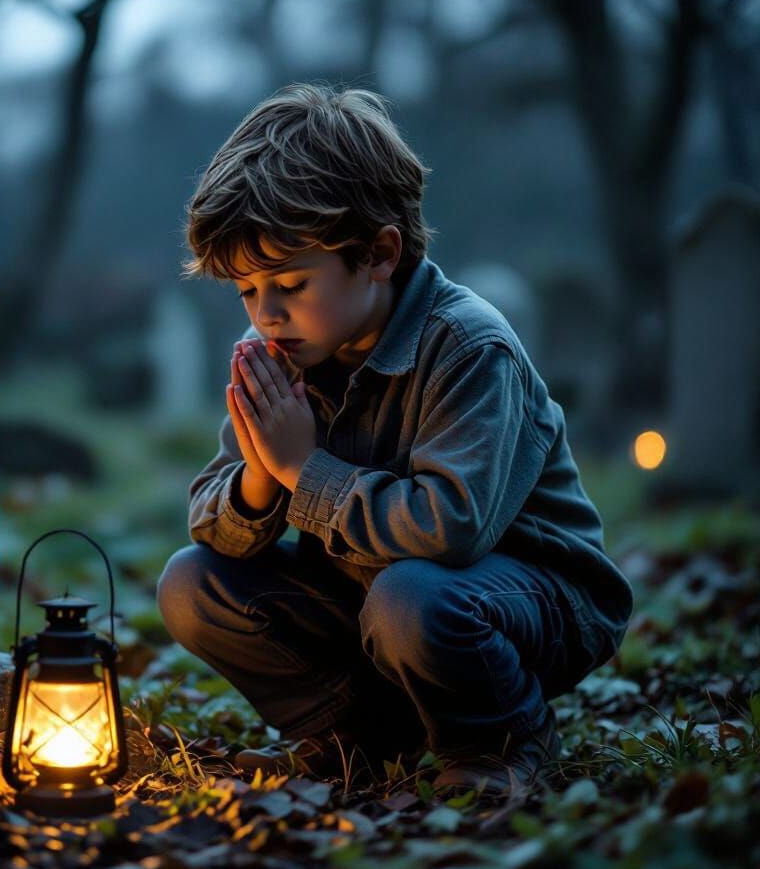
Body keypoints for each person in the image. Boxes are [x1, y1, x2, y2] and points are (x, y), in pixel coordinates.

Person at [156, 83, 634, 797]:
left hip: (523, 598)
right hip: (375, 596)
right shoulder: (285, 354)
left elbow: (448, 531)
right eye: (247, 290)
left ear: (378, 254)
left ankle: (500, 738)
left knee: (412, 597)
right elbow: (212, 522)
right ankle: (357, 736)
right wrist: (261, 478)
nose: (267, 312)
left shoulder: (470, 347)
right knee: (191, 584)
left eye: (289, 281)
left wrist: (301, 467)